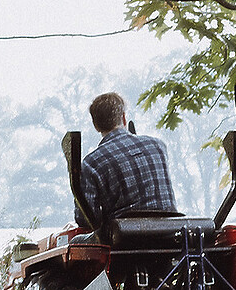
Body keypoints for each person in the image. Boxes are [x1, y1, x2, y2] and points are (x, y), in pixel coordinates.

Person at [75, 91, 178, 230]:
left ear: (96, 125)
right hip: (171, 232)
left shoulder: (92, 163)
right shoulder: (158, 146)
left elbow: (86, 219)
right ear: (123, 118)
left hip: (126, 241)